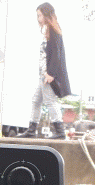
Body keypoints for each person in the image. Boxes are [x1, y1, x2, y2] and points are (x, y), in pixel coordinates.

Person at [18, 2, 71, 139]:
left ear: (47, 15)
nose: (38, 18)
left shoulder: (53, 30)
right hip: (44, 74)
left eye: (40, 15)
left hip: (47, 75)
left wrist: (50, 74)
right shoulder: (49, 30)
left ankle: (60, 132)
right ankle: (31, 131)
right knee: (36, 100)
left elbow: (57, 54)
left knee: (50, 101)